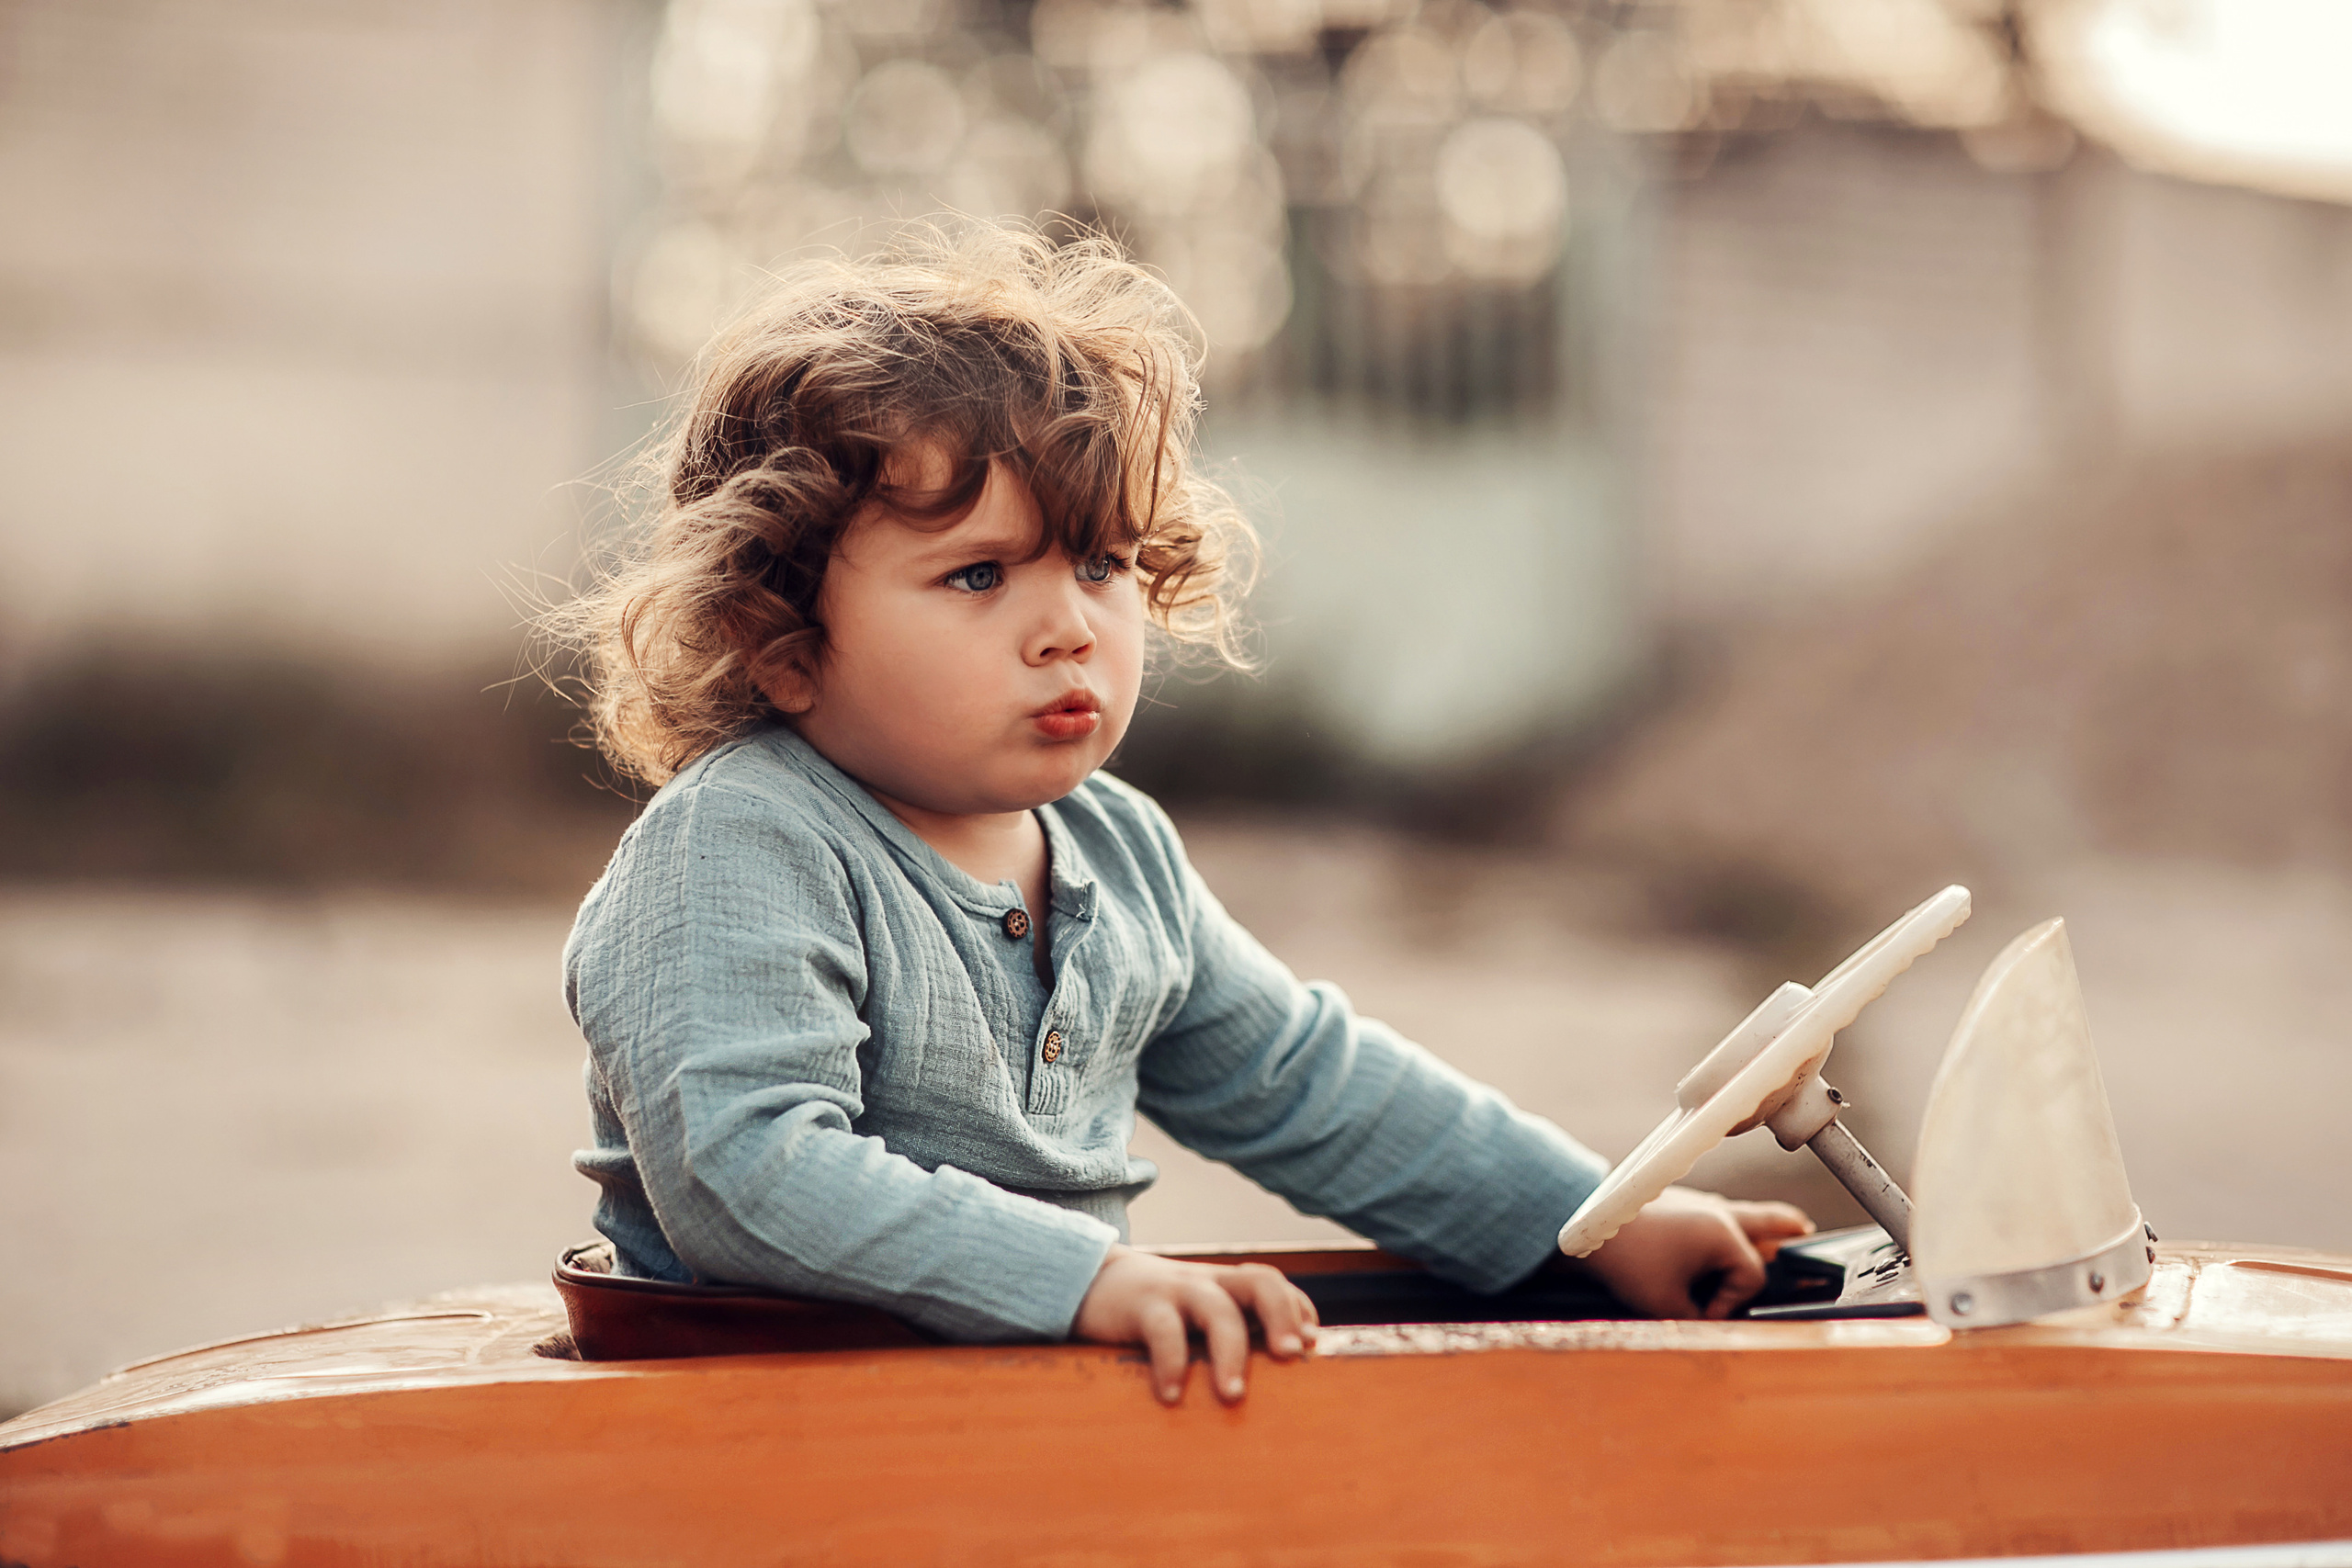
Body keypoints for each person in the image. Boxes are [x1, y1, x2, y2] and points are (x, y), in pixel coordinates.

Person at [550, 221, 1810, 1406]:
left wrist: (1592, 1223)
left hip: (1024, 1426)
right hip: (763, 1423)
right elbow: (746, 1172)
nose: (1069, 627)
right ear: (777, 641)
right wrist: (1083, 1279)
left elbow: (1308, 1082)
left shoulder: (1118, 849)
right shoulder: (742, 845)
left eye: (1102, 565)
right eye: (979, 574)